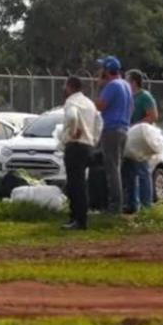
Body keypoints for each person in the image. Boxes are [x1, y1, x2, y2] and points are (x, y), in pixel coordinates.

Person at [59, 76, 102, 231]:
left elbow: (71, 116)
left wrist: (73, 131)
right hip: (88, 146)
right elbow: (99, 122)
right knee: (82, 183)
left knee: (75, 184)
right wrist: (94, 139)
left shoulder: (71, 101)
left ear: (70, 87)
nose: (64, 89)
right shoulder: (89, 103)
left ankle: (78, 219)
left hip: (75, 146)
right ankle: (79, 218)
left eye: (65, 86)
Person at [94, 55, 133, 215]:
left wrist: (100, 86)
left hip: (111, 129)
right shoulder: (125, 85)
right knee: (116, 167)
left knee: (112, 169)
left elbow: (100, 106)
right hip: (123, 128)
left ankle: (114, 206)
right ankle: (117, 202)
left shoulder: (111, 86)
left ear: (107, 71)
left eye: (102, 69)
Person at [123, 69, 160, 213]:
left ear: (134, 82)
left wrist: (135, 126)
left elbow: (153, 116)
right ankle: (132, 204)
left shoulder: (145, 97)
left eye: (127, 80)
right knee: (129, 172)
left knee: (142, 171)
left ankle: (146, 205)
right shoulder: (128, 97)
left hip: (140, 139)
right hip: (128, 138)